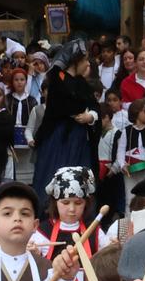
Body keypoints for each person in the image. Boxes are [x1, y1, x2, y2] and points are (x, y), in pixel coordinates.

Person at [33, 42, 102, 198]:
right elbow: (65, 106)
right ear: (75, 61)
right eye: (84, 60)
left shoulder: (81, 82)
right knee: (56, 174)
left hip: (78, 139)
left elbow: (95, 106)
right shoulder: (58, 79)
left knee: (79, 177)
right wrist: (82, 111)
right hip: (59, 138)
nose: (87, 64)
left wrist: (90, 116)